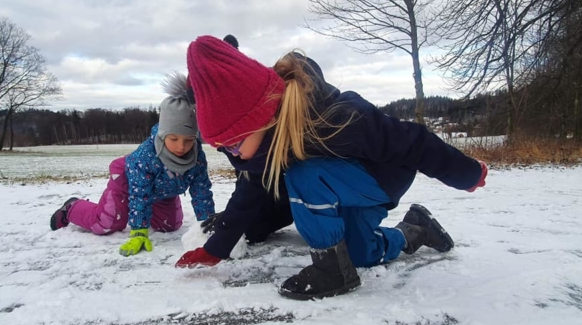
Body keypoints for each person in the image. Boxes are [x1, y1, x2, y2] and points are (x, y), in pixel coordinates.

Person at [175, 35, 487, 301]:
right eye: (222, 148)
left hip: (381, 176)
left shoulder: (336, 119)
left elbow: (413, 141)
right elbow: (249, 193)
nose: (233, 155)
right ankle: (415, 230)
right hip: (341, 185)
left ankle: (331, 269)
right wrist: (216, 248)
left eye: (233, 145)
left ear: (259, 119)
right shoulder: (266, 144)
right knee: (360, 255)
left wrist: (466, 173)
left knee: (304, 175)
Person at [49, 72, 215, 256]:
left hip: (163, 190)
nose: (181, 146)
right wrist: (139, 231)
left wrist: (207, 226)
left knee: (169, 226)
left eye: (189, 140)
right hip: (128, 183)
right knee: (107, 223)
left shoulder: (197, 157)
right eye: (174, 139)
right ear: (162, 135)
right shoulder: (146, 156)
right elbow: (140, 194)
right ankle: (72, 208)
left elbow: (201, 192)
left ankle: (152, 207)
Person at [195, 34, 294, 265]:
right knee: (252, 228)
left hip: (334, 201)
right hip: (278, 197)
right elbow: (250, 182)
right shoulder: (253, 146)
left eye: (232, 145)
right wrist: (222, 238)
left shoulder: (308, 126)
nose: (233, 155)